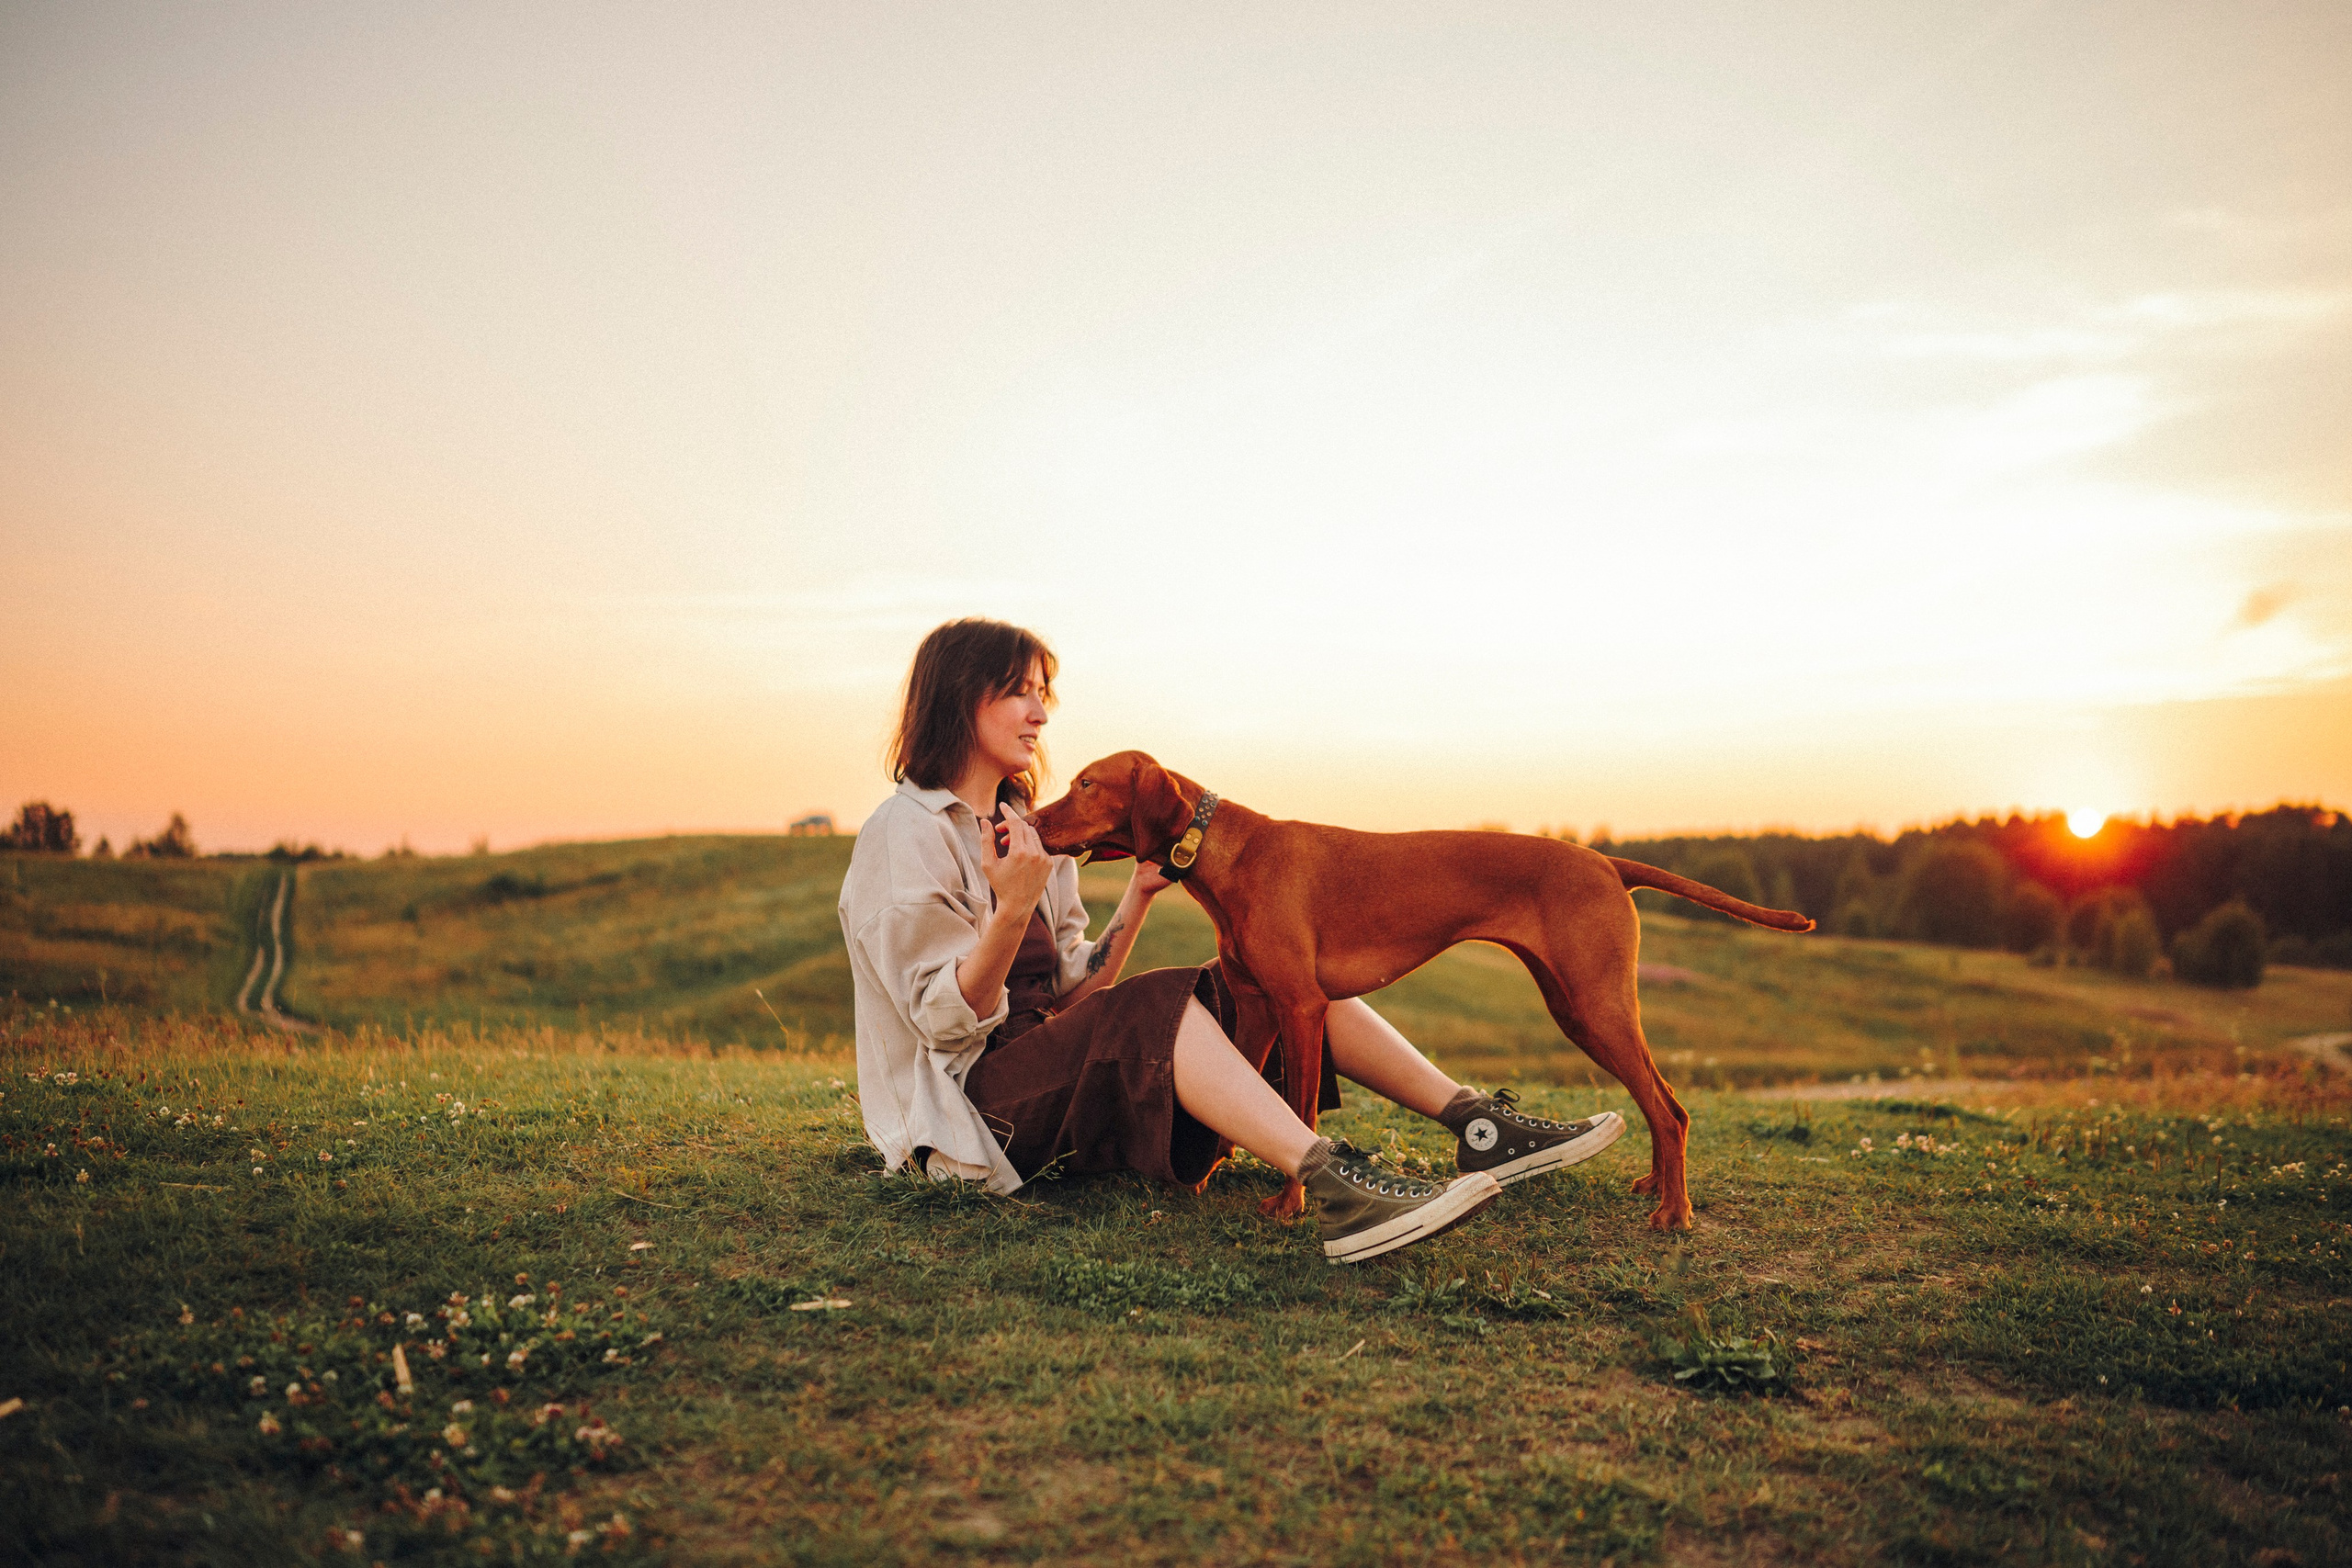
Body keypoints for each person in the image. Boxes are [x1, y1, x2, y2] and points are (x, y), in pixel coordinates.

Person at [836, 617, 1623, 1262]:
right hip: (973, 1115)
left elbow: (1077, 992)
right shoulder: (903, 835)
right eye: (1020, 692)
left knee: (1270, 976)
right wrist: (1011, 911)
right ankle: (1337, 1184)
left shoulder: (1029, 830)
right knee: (1159, 1004)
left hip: (1052, 1075)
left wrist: (1138, 896)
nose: (1040, 714)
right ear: (960, 698)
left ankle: (1479, 1126)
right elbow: (940, 1022)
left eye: (1045, 694)